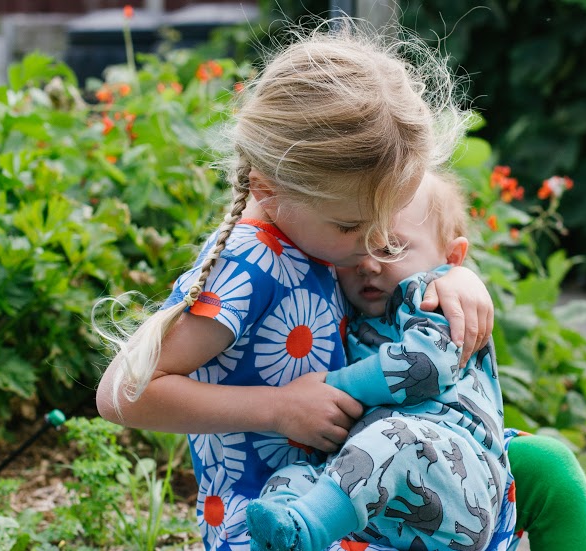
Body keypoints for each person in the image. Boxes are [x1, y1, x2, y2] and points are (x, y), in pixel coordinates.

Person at [95, 18, 495, 551]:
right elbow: (123, 394)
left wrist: (456, 277)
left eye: (388, 227)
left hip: (347, 506)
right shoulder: (248, 264)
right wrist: (277, 408)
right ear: (269, 187)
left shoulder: (320, 236)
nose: (375, 248)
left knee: (532, 468)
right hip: (264, 525)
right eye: (356, 227)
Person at [245, 170, 517, 551]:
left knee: (397, 439)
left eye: (390, 248)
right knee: (291, 478)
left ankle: (307, 529)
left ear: (451, 257)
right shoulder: (347, 309)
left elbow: (422, 367)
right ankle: (287, 535)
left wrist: (331, 386)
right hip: (380, 506)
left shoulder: (433, 297)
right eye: (356, 244)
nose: (369, 264)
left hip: (456, 486)